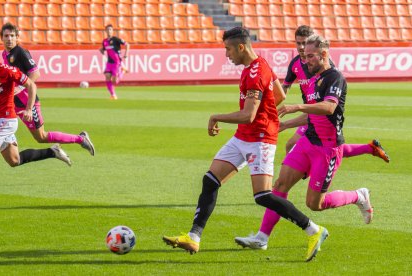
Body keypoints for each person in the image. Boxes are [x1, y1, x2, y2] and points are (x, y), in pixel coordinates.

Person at [163, 27, 328, 262]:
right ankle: (194, 237)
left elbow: (249, 114)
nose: (227, 54)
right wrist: (268, 111)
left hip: (260, 139)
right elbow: (279, 95)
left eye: (228, 49)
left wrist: (216, 117)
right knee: (210, 181)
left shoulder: (255, 72)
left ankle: (314, 230)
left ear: (241, 47)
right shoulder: (260, 65)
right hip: (243, 137)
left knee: (263, 196)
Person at [235, 34, 373, 251]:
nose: (305, 60)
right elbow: (313, 116)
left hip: (328, 148)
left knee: (314, 204)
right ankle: (262, 237)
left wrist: (297, 106)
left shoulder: (334, 77)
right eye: (304, 56)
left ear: (324, 54)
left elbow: (328, 108)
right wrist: (287, 124)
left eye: (310, 56)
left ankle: (358, 196)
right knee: (279, 186)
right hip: (308, 141)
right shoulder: (312, 79)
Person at [282, 25, 389, 162]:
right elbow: (284, 87)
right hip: (310, 111)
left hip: (322, 113)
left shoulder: (325, 67)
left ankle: (295, 173)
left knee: (295, 144)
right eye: (299, 43)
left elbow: (330, 99)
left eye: (305, 43)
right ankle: (370, 148)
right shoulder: (295, 63)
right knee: (328, 148)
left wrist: (286, 122)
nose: (302, 47)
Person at [0, 23, 95, 157]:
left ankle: (80, 139)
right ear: (2, 38)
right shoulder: (5, 54)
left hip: (28, 101)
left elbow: (36, 73)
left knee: (41, 137)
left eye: (12, 36)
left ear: (17, 37)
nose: (9, 39)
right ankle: (12, 155)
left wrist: (21, 88)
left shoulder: (20, 52)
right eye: (6, 36)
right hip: (15, 103)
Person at [0, 60, 71, 167]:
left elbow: (31, 85)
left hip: (6, 120)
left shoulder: (7, 70)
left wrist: (29, 109)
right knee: (14, 160)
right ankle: (53, 151)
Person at [99, 24, 130, 100]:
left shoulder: (116, 39)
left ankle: (122, 70)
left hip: (117, 62)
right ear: (105, 31)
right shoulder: (104, 41)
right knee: (107, 77)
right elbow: (104, 49)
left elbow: (127, 44)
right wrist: (101, 50)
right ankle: (113, 95)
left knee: (115, 81)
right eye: (108, 29)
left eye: (110, 29)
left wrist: (126, 54)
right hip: (109, 63)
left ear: (112, 31)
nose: (109, 31)